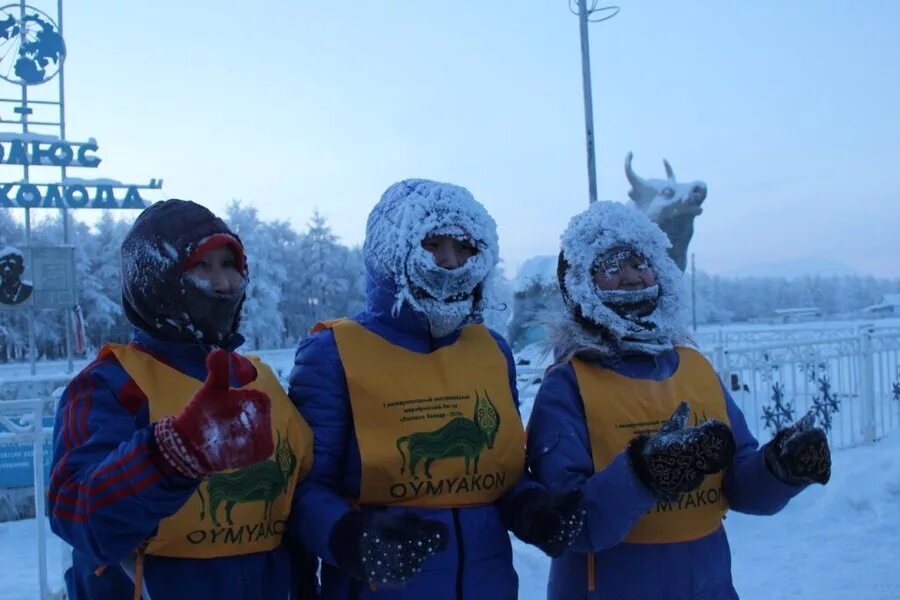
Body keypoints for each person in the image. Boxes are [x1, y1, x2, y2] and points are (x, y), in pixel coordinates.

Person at [289, 179, 584, 599]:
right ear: (393, 248)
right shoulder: (332, 354)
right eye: (432, 245)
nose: (449, 262)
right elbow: (302, 490)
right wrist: (352, 537)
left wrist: (531, 507)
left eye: (463, 247)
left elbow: (497, 475)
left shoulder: (491, 350)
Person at [526, 200, 832, 599]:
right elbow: (570, 525)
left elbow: (739, 486)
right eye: (613, 267)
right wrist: (643, 474)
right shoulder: (568, 385)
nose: (632, 277)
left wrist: (779, 469)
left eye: (640, 263)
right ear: (581, 282)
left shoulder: (696, 369)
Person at [49, 199, 316, 600]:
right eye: (202, 267)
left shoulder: (259, 380)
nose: (224, 284)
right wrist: (171, 454)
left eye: (229, 265)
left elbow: (297, 504)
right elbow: (77, 512)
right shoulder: (111, 383)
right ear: (156, 280)